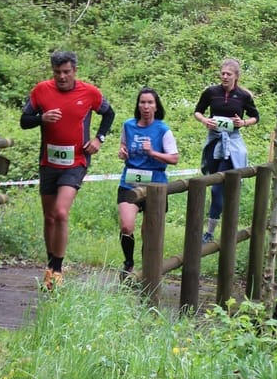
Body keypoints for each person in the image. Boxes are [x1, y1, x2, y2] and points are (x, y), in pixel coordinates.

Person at [20, 50, 115, 290]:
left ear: (75, 71)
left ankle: (58, 270)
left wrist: (99, 139)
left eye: (66, 72)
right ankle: (50, 266)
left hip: (76, 162)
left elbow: (109, 113)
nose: (62, 77)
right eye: (57, 72)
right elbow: (24, 120)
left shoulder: (90, 92)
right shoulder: (41, 90)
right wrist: (41, 118)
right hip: (48, 162)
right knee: (49, 217)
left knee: (61, 212)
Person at [193, 58, 259, 243]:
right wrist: (204, 120)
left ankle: (210, 232)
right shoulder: (211, 92)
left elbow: (255, 116)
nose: (224, 76)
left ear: (236, 76)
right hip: (214, 141)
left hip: (232, 142)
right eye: (222, 73)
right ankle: (218, 225)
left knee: (217, 187)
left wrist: (243, 122)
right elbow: (198, 111)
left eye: (228, 74)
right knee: (212, 181)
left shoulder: (243, 96)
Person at [117, 87, 179, 281]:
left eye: (150, 103)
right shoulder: (128, 125)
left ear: (156, 106)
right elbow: (123, 146)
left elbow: (174, 158)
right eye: (142, 102)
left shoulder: (162, 129)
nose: (146, 106)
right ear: (138, 105)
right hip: (130, 182)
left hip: (155, 186)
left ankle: (147, 270)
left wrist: (153, 153)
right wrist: (122, 152)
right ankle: (128, 263)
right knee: (127, 226)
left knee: (149, 233)